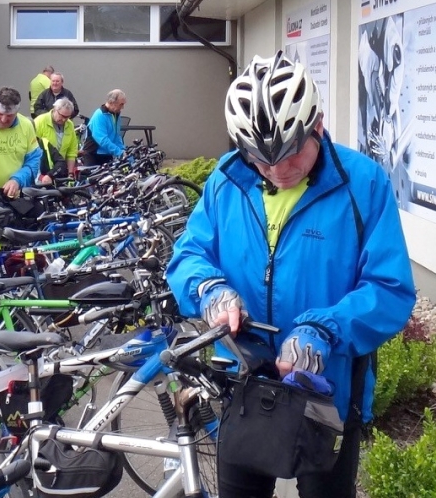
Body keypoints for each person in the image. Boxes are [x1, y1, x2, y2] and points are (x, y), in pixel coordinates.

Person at [166, 51, 416, 498]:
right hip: (243, 387)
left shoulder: (365, 184)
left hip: (326, 394)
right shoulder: (226, 179)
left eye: (290, 154)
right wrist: (209, 290)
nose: (278, 171)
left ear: (317, 126)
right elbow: (189, 254)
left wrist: (324, 329)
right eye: (260, 161)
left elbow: (390, 288)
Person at [81, 89, 126, 167]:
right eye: (121, 104)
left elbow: (117, 135)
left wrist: (123, 149)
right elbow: (102, 140)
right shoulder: (99, 115)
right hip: (94, 154)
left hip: (107, 153)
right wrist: (118, 152)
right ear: (112, 102)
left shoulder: (116, 114)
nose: (123, 107)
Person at [34, 97, 77, 176]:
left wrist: (70, 173)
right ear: (54, 109)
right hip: (42, 171)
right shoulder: (39, 121)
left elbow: (71, 152)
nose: (64, 120)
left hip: (60, 168)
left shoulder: (70, 125)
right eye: (62, 116)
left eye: (67, 117)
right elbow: (33, 149)